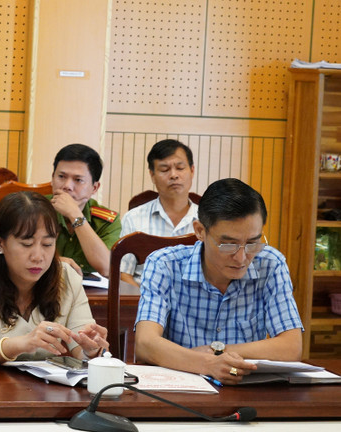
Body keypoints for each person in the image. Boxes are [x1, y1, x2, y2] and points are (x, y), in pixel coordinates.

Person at [134, 178, 303, 384]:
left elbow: (291, 347)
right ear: (200, 231)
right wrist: (207, 365)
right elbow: (145, 343)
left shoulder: (270, 264)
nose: (241, 258)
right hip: (181, 388)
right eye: (228, 245)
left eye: (252, 243)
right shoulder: (164, 265)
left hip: (245, 389)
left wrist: (217, 352)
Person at [0, 191, 108, 363]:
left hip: (40, 381)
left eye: (47, 244)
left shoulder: (67, 277)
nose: (38, 256)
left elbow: (81, 348)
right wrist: (22, 343)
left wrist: (91, 350)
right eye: (26, 244)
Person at [119, 139, 198, 285]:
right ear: (152, 175)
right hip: (142, 296)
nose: (173, 175)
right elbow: (123, 274)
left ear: (192, 171)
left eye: (180, 168)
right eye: (164, 170)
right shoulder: (133, 218)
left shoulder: (209, 220)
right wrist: (147, 298)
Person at [47, 143, 120, 277]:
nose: (67, 186)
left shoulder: (106, 221)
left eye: (78, 180)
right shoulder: (34, 209)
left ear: (94, 188)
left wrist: (75, 215)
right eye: (61, 177)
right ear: (52, 178)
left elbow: (106, 268)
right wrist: (55, 262)